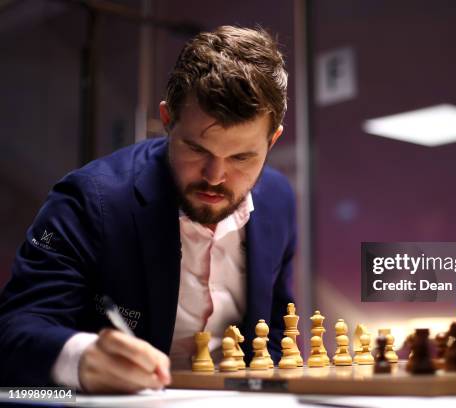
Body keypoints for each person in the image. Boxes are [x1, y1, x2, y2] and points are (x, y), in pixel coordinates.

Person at [0, 25, 295, 393]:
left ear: (274, 139)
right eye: (198, 149)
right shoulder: (88, 201)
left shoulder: (278, 200)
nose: (216, 177)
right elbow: (14, 330)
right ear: (167, 120)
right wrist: (81, 357)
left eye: (242, 157)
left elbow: (277, 327)